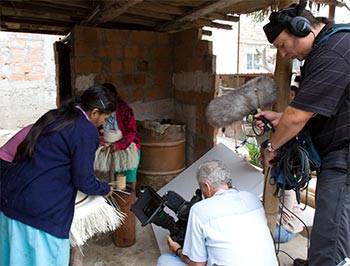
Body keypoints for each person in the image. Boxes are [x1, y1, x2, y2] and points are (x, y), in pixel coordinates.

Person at [257, 2, 350, 265]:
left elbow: (297, 116)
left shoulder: (334, 51)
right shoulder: (327, 49)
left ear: (301, 28)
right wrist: (280, 118)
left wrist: (272, 148)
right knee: (330, 224)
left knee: (330, 229)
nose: (284, 53)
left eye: (283, 45)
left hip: (344, 156)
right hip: (337, 154)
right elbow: (313, 111)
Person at [0, 84, 116, 266]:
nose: (103, 124)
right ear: (94, 112)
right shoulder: (85, 131)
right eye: (105, 118)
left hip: (12, 199)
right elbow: (83, 181)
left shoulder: (56, 116)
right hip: (40, 213)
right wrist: (104, 188)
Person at [157, 160, 278, 266]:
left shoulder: (199, 210)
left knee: (165, 260)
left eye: (202, 188)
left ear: (206, 186)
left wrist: (177, 249)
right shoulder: (252, 199)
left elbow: (198, 264)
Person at [96, 82, 140, 191]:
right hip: (105, 148)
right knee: (106, 178)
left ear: (115, 98)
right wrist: (100, 141)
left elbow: (132, 132)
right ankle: (110, 202)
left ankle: (128, 202)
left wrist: (118, 145)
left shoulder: (125, 109)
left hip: (126, 149)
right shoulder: (97, 111)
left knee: (127, 180)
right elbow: (95, 129)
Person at [259, 140, 304, 243]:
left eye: (263, 156)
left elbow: (284, 219)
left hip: (287, 229)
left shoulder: (285, 184)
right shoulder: (270, 176)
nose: (260, 159)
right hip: (275, 222)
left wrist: (261, 221)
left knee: (253, 234)